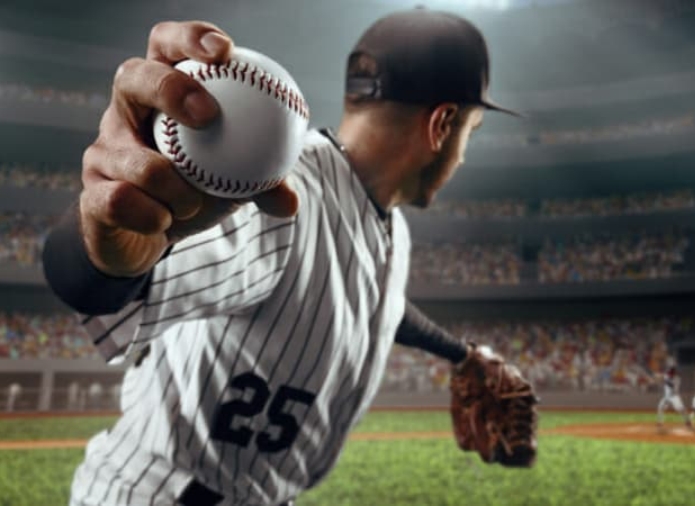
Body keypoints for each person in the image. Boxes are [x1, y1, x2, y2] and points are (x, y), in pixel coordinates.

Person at [42, 9, 526, 506]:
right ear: (442, 124)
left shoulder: (391, 227)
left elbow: (379, 303)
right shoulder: (278, 198)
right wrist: (102, 237)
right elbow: (98, 285)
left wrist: (460, 353)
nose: (465, 153)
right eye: (473, 129)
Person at [656, 366, 692, 431]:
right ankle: (660, 423)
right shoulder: (666, 375)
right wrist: (659, 376)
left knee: (680, 408)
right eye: (668, 373)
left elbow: (672, 385)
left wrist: (664, 380)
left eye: (671, 374)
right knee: (660, 407)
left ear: (674, 374)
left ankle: (687, 421)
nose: (669, 375)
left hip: (674, 396)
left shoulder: (677, 379)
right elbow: (660, 376)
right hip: (666, 397)